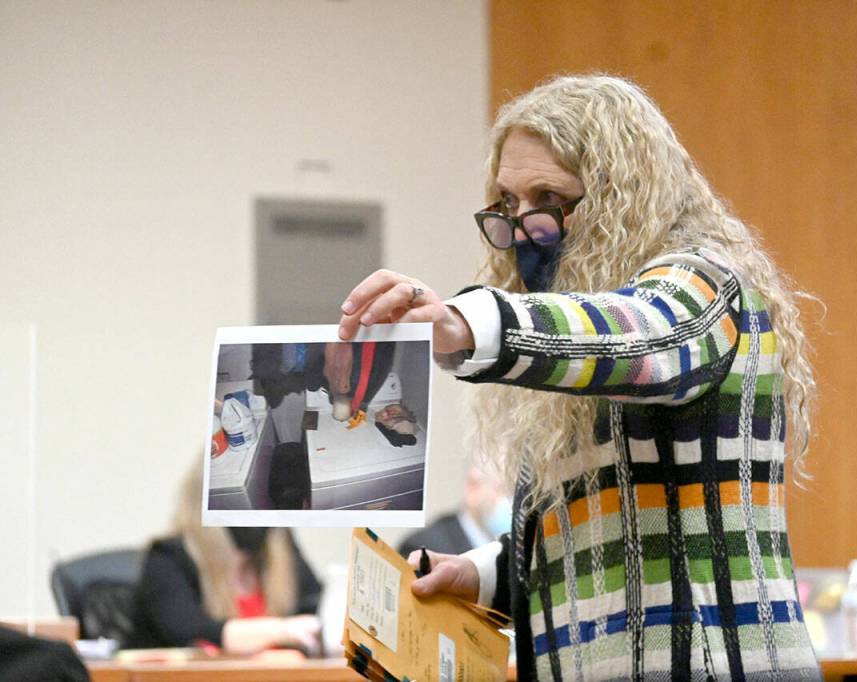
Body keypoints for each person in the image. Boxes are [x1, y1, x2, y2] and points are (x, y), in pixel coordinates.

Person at [338, 74, 819, 680]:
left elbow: (644, 336)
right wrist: (485, 574)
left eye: (548, 198)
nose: (522, 227)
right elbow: (604, 531)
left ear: (621, 197)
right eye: (508, 204)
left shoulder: (705, 287)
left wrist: (468, 320)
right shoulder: (565, 344)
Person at [130, 460, 322, 655]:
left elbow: (316, 607)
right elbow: (189, 632)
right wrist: (281, 631)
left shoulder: (281, 548)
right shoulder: (167, 557)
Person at [397, 465, 512, 557]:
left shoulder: (518, 553)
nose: (516, 504)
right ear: (473, 488)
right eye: (507, 491)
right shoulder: (423, 551)